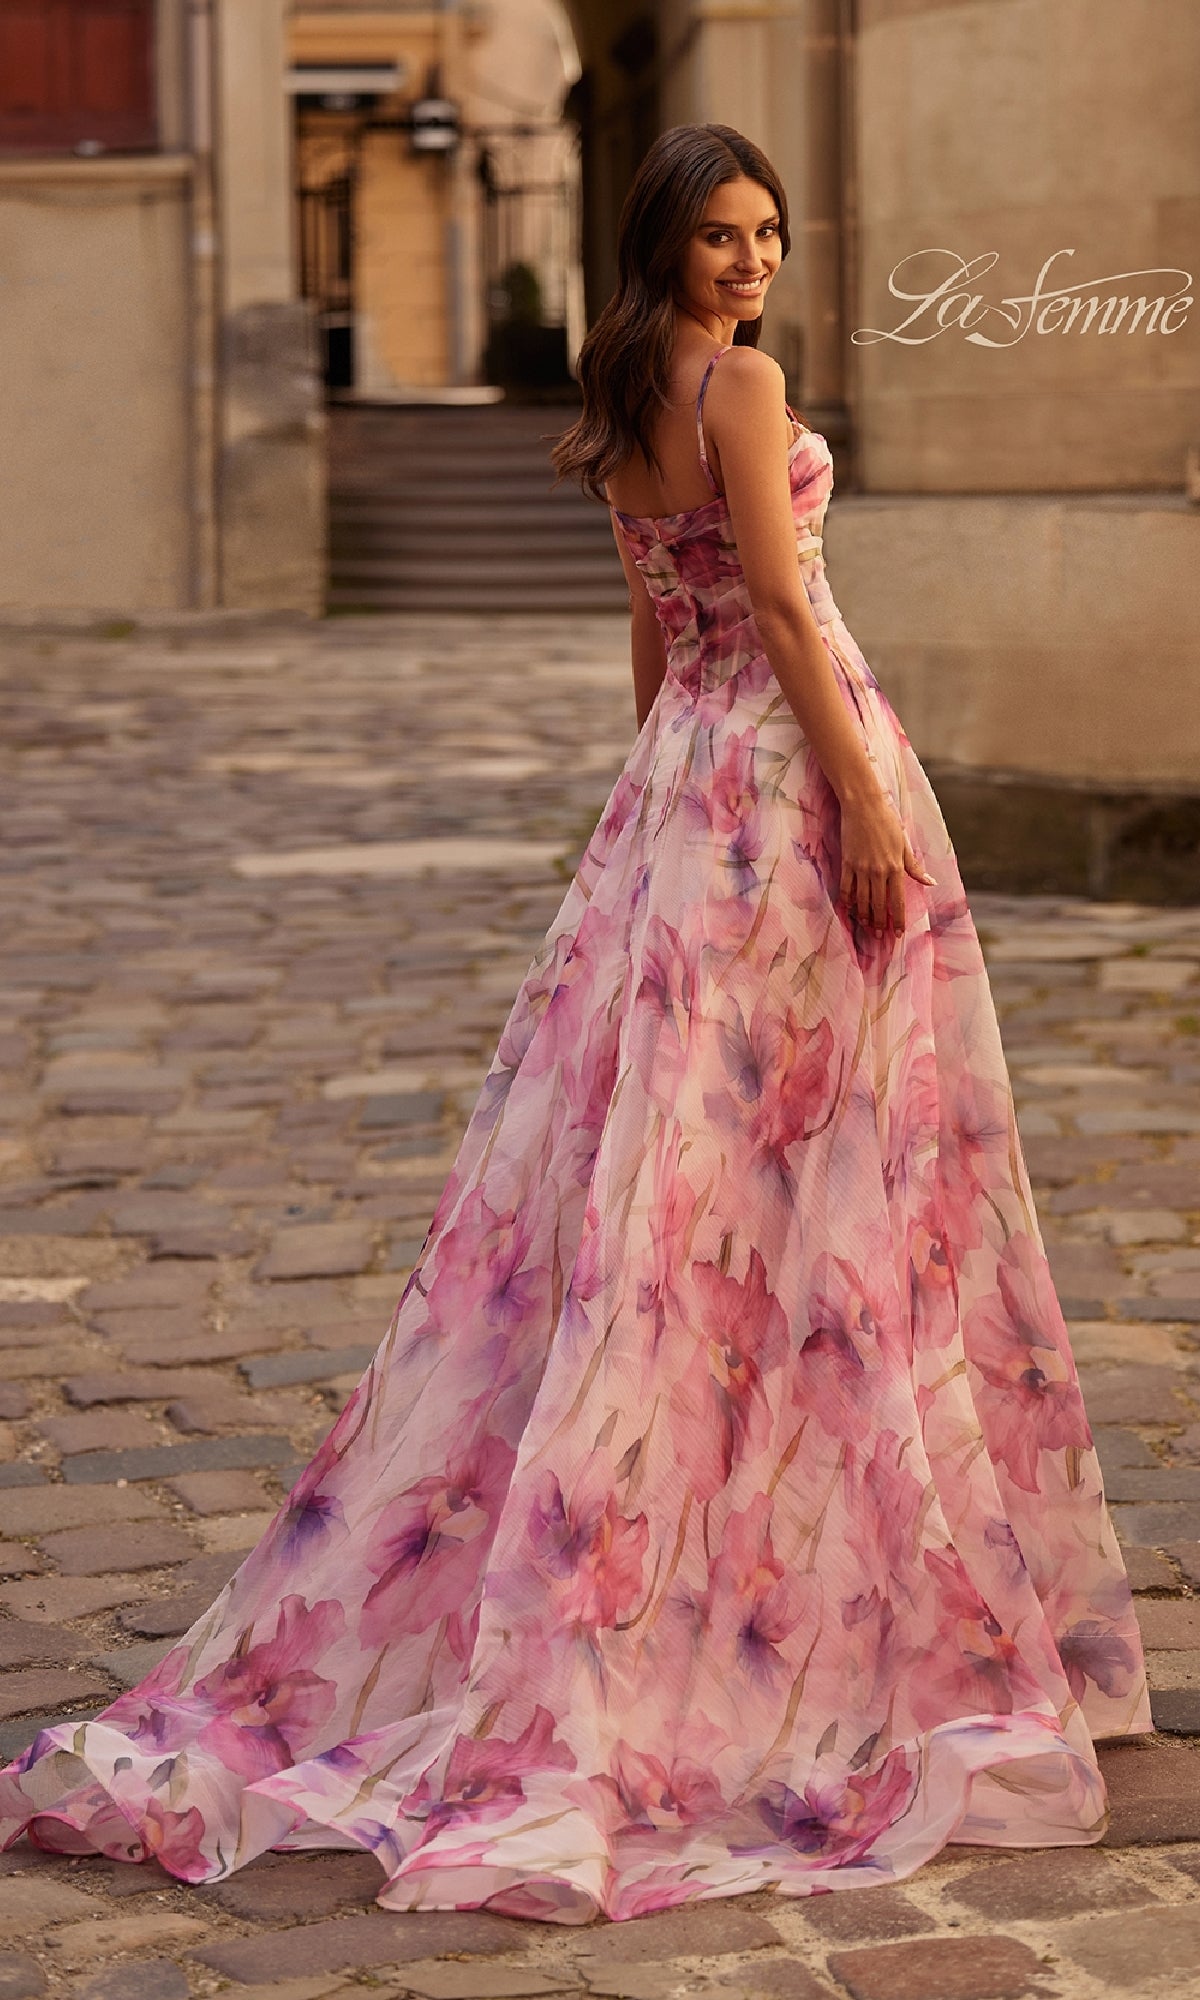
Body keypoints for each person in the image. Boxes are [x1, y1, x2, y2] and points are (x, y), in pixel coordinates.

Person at [0, 121, 1151, 1924]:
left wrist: (652, 803)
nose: (753, 262)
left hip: (689, 782)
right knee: (817, 1139)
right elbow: (772, 602)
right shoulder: (744, 387)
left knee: (672, 1149)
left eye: (768, 234)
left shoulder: (623, 404)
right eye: (720, 234)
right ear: (664, 244)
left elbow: (658, 635)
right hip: (780, 772)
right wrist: (853, 797)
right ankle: (763, 1542)